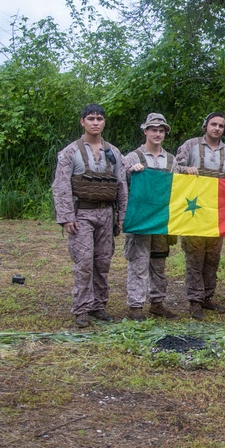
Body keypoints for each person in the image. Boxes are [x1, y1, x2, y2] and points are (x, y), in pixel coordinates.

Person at [52, 103, 127, 328]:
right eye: (91, 118)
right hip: (82, 213)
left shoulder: (113, 152)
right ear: (82, 122)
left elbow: (121, 186)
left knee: (102, 262)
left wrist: (122, 216)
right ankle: (82, 308)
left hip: (106, 213)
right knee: (84, 262)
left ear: (104, 122)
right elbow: (61, 185)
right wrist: (66, 217)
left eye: (100, 118)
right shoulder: (70, 152)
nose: (95, 122)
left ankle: (98, 306)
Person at [175, 112, 225, 320]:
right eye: (214, 124)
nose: (217, 128)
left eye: (221, 125)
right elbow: (174, 168)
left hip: (215, 210)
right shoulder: (191, 145)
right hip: (193, 209)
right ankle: (194, 301)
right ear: (205, 125)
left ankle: (208, 296)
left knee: (213, 256)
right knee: (195, 256)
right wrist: (186, 169)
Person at [122, 113, 180, 321]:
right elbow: (121, 186)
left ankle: (157, 302)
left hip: (162, 220)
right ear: (145, 131)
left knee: (159, 263)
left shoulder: (171, 160)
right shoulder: (132, 157)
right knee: (138, 263)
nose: (157, 133)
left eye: (161, 130)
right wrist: (131, 172)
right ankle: (135, 306)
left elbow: (178, 188)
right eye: (154, 129)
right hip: (140, 219)